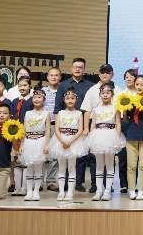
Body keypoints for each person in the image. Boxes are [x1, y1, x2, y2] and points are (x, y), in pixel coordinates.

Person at [55, 58, 94, 193]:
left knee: (81, 154)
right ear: (71, 68)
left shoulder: (90, 86)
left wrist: (86, 126)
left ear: (84, 69)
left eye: (80, 67)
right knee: (65, 153)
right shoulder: (63, 85)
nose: (77, 69)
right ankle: (64, 182)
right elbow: (58, 106)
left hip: (83, 122)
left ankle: (78, 182)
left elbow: (90, 106)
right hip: (66, 122)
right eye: (75, 67)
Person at [87, 83, 126, 201]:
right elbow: (93, 125)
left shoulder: (115, 108)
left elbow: (118, 123)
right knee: (99, 165)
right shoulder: (96, 109)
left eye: (108, 93)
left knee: (109, 165)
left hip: (111, 136)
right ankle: (99, 191)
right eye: (103, 93)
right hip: (98, 136)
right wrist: (91, 140)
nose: (105, 95)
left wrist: (117, 138)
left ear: (112, 95)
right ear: (100, 95)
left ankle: (107, 191)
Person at [50, 88, 86, 200]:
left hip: (73, 142)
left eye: (72, 98)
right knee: (61, 168)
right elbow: (56, 129)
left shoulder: (79, 113)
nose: (70, 100)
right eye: (67, 98)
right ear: (64, 100)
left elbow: (80, 130)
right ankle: (61, 192)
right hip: (61, 140)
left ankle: (70, 192)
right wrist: (62, 141)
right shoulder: (60, 113)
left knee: (71, 167)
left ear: (76, 100)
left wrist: (70, 141)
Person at [122, 74, 143, 200]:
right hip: (131, 133)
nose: (139, 87)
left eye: (142, 85)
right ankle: (131, 189)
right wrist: (124, 109)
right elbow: (125, 119)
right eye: (137, 84)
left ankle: (141, 190)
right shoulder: (130, 98)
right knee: (131, 165)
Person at [19, 88, 51, 201]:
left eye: (39, 97)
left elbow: (48, 130)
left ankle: (36, 191)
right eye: (35, 97)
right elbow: (24, 130)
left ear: (44, 100)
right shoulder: (27, 113)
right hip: (29, 141)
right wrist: (22, 144)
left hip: (40, 141)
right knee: (29, 167)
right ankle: (29, 191)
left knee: (38, 168)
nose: (36, 99)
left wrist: (47, 144)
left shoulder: (46, 113)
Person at [41, 66, 62, 191]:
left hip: (57, 125)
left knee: (54, 154)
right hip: (43, 125)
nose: (54, 77)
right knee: (41, 152)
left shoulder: (62, 90)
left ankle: (51, 181)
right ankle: (38, 181)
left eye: (56, 75)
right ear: (47, 77)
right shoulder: (42, 91)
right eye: (51, 75)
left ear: (60, 77)